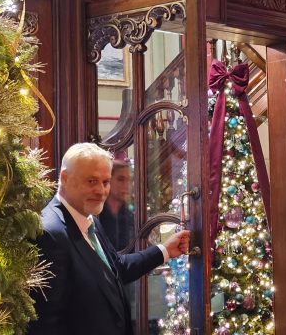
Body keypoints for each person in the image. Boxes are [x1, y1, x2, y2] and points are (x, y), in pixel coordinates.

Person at [28, 143, 190, 335]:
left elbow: (116, 268)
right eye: (91, 181)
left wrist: (165, 250)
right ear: (65, 178)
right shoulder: (50, 233)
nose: (101, 191)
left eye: (105, 182)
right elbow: (46, 324)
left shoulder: (90, 219)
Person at [99, 160, 135, 252]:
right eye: (121, 179)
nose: (127, 185)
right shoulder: (96, 214)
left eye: (129, 180)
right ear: (108, 181)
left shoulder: (130, 215)